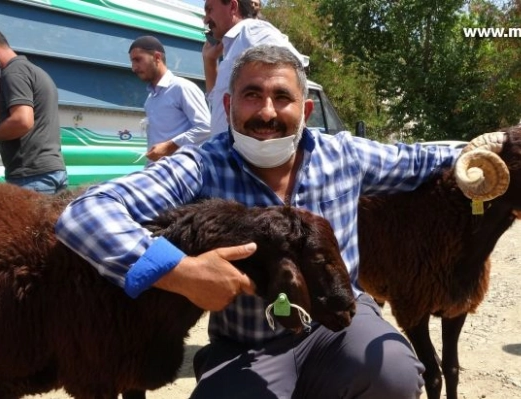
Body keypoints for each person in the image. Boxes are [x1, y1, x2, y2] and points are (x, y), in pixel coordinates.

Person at [56, 45, 458, 398]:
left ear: (306, 109)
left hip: (339, 323)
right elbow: (86, 213)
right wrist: (180, 272)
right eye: (252, 95)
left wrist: (499, 153)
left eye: (282, 97)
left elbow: (424, 159)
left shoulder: (344, 156)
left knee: (394, 373)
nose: (266, 112)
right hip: (247, 341)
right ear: (229, 106)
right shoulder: (203, 166)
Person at [0, 24, 67, 194]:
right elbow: (10, 120)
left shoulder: (14, 73)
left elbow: (21, 122)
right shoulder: (32, 70)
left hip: (31, 175)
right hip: (50, 171)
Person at [202, 0, 306, 136]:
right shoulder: (237, 43)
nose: (206, 19)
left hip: (249, 153)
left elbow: (294, 74)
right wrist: (209, 61)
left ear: (233, 7)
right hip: (228, 152)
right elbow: (218, 104)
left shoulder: (252, 34)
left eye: (210, 10)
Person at [128, 35, 212, 162]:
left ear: (157, 57)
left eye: (138, 60)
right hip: (159, 172)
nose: (133, 68)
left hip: (183, 173)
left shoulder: (182, 88)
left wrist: (170, 146)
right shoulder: (150, 100)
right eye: (132, 62)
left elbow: (206, 128)